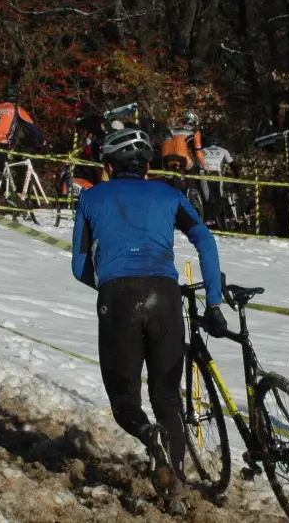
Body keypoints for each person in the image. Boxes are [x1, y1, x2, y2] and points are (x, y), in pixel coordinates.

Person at [71, 127, 229, 516]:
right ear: (147, 167)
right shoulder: (171, 194)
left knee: (125, 399)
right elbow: (205, 240)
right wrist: (213, 300)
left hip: (117, 295)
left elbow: (78, 266)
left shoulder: (90, 196)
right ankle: (176, 487)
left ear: (108, 165)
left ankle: (147, 435)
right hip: (165, 294)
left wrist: (111, 288)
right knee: (167, 398)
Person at [0, 83, 45, 196]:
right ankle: (0, 201)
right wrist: (42, 140)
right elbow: (31, 127)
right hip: (1, 143)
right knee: (2, 174)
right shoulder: (15, 109)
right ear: (17, 97)